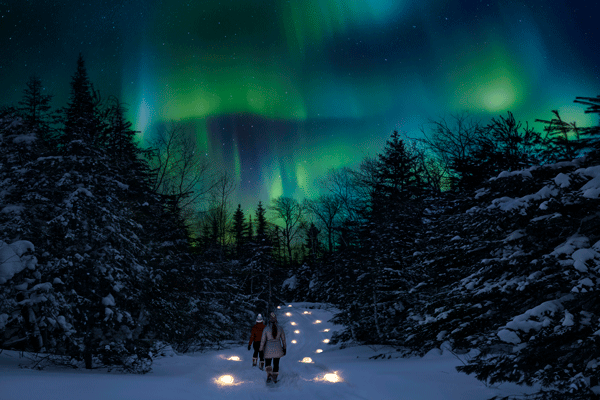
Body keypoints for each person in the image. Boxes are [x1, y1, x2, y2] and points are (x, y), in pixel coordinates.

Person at [259, 311, 286, 383]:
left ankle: (269, 376)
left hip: (268, 349)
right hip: (278, 349)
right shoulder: (280, 328)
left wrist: (261, 350)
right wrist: (284, 348)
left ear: (269, 320)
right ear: (276, 320)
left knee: (268, 364)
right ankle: (275, 377)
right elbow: (283, 340)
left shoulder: (266, 329)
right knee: (276, 364)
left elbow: (262, 341)